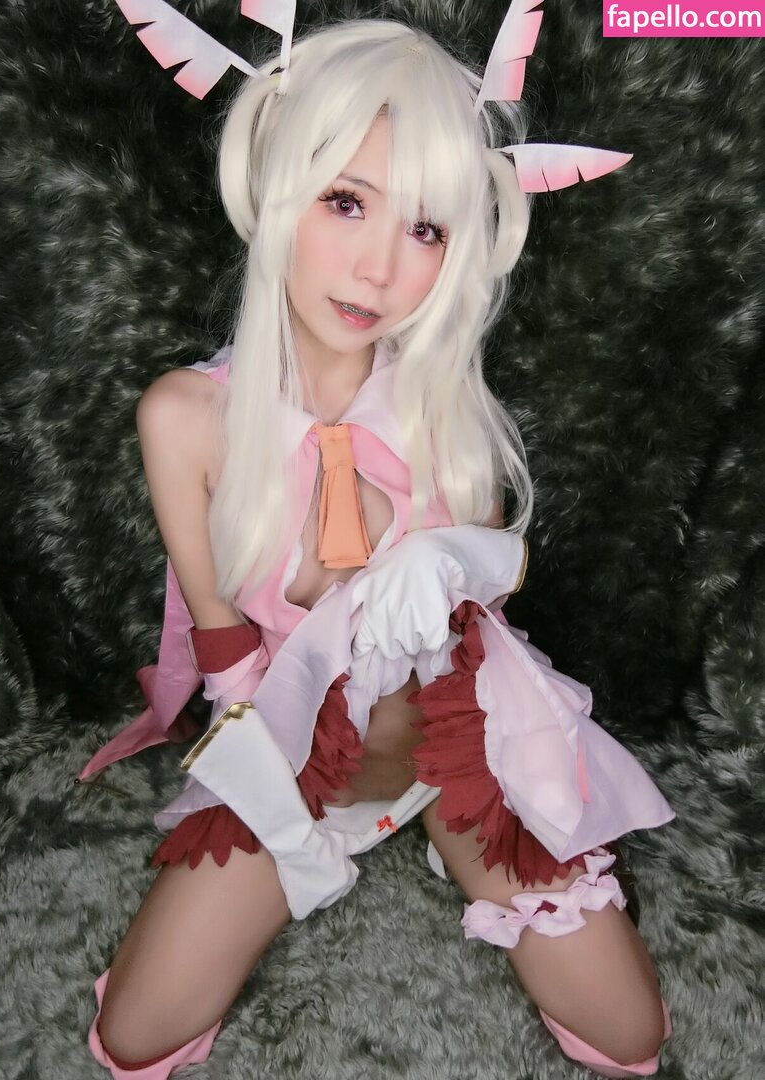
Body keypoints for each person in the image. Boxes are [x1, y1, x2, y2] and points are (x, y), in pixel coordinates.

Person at [80, 6, 676, 1078]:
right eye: (346, 201)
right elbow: (221, 639)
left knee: (630, 1032)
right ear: (281, 187)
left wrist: (448, 559)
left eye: (426, 229)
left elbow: (500, 572)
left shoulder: (440, 407)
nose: (376, 269)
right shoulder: (182, 418)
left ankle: (444, 836)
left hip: (452, 740)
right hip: (296, 754)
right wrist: (278, 808)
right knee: (134, 1032)